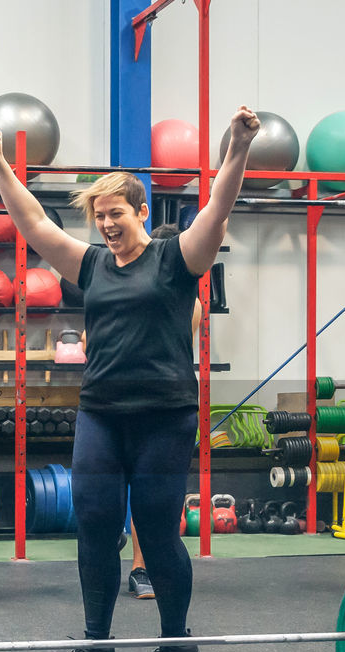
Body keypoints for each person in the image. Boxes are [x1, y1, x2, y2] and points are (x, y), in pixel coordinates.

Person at [0, 106, 259, 652]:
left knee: (156, 529)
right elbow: (35, 226)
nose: (105, 224)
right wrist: (2, 167)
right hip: (101, 413)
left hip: (165, 416)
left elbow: (219, 207)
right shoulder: (93, 265)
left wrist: (237, 148)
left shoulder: (178, 258)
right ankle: (97, 642)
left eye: (115, 214)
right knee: (97, 524)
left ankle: (177, 644)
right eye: (98, 216)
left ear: (141, 212)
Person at [126, 223, 201, 600]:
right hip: (119, 405)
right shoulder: (128, 289)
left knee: (156, 496)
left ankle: (147, 566)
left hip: (165, 406)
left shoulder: (191, 301)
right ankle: (138, 565)